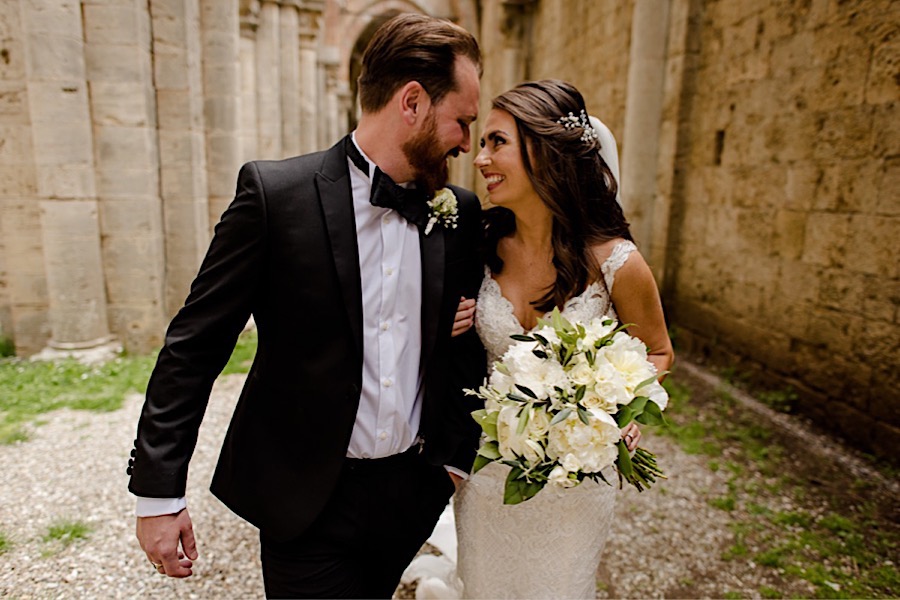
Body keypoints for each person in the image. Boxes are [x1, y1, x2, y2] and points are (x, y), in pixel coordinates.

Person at [126, 13, 486, 599]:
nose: (466, 143)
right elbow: (195, 345)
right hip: (307, 502)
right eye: (462, 121)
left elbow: (467, 350)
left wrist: (449, 464)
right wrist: (159, 495)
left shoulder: (459, 212)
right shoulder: (276, 197)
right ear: (413, 102)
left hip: (412, 494)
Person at [450, 80, 675, 598]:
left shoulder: (615, 262)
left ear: (544, 152)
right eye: (482, 143)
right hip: (489, 477)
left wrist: (618, 410)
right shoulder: (475, 247)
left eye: (496, 142)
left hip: (577, 485)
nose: (480, 158)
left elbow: (658, 351)